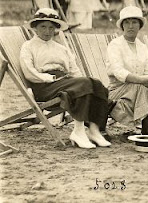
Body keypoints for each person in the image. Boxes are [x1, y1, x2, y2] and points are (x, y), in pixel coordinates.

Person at [19, 8, 110, 148]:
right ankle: (79, 132)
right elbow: (29, 72)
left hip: (65, 83)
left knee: (95, 84)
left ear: (56, 29)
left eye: (51, 27)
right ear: (35, 27)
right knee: (83, 84)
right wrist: (48, 78)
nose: (47, 31)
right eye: (43, 26)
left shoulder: (61, 48)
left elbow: (74, 70)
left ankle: (94, 130)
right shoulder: (28, 46)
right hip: (44, 86)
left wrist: (82, 83)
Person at [106, 6, 148, 131]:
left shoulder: (142, 47)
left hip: (137, 88)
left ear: (139, 25)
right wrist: (143, 81)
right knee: (140, 87)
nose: (130, 26)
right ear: (122, 25)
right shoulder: (115, 45)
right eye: (127, 22)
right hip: (117, 89)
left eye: (134, 22)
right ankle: (143, 126)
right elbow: (119, 73)